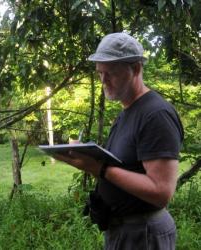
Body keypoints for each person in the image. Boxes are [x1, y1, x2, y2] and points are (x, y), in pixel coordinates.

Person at [55, 32, 184, 250]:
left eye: (111, 73)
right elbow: (124, 165)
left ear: (135, 69)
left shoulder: (155, 115)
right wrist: (88, 157)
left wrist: (100, 169)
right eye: (100, 73)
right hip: (124, 232)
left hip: (143, 235)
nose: (103, 80)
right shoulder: (128, 110)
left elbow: (162, 192)